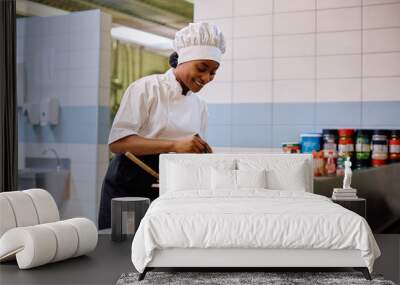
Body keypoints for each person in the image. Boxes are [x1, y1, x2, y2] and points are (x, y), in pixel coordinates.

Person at [98, 22, 226, 229]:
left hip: (169, 186)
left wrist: (200, 152)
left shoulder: (199, 105)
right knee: (122, 248)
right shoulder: (147, 88)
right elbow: (118, 143)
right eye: (202, 68)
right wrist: (175, 145)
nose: (206, 77)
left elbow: (190, 147)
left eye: (213, 72)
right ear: (182, 60)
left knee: (162, 249)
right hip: (129, 185)